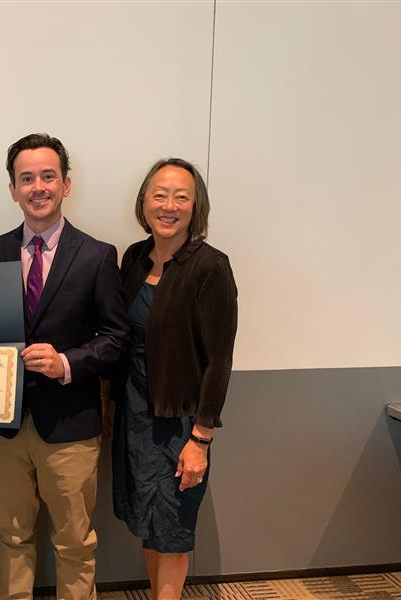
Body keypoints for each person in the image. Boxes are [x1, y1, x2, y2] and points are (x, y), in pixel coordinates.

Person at [0, 133, 130, 599]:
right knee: (11, 538)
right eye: (26, 178)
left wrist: (66, 363)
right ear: (12, 189)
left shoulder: (97, 255)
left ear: (66, 185)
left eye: (48, 176)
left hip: (71, 427)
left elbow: (118, 339)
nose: (38, 187)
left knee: (75, 542)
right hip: (5, 429)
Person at [108, 158, 237, 599]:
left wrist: (201, 439)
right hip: (133, 414)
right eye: (159, 194)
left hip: (178, 422)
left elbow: (219, 361)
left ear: (195, 205)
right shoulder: (133, 258)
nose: (169, 205)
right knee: (148, 522)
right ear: (143, 201)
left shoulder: (209, 266)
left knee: (173, 528)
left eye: (181, 197)